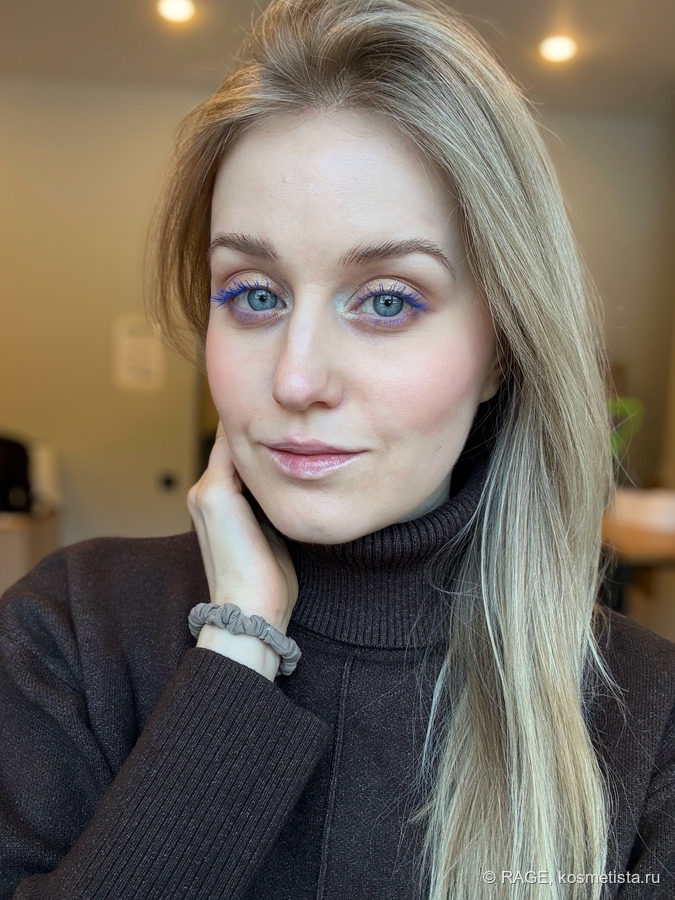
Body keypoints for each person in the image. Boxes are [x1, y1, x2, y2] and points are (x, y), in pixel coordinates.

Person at [1, 0, 674, 897]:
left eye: (387, 299)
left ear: (501, 350)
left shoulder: (646, 718)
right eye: (255, 294)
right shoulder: (68, 635)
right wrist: (237, 650)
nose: (295, 378)